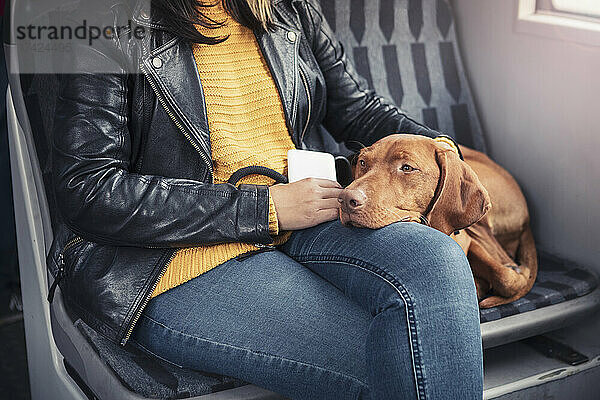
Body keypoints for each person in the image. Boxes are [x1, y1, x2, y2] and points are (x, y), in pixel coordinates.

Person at [49, 0, 483, 398]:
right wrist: (266, 207)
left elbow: (357, 109)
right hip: (175, 257)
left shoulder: (286, 6)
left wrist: (447, 155)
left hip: (309, 213)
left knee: (435, 257)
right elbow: (88, 189)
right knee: (399, 357)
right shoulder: (107, 20)